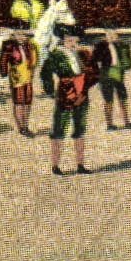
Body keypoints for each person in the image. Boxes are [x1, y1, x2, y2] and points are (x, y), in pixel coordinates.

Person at [40, 25, 97, 176]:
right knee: (59, 128)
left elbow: (94, 73)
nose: (72, 43)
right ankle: (55, 165)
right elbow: (45, 73)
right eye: (69, 40)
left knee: (80, 127)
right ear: (63, 40)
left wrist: (85, 86)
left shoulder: (83, 54)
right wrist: (51, 91)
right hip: (65, 93)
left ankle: (80, 164)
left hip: (82, 93)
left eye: (74, 40)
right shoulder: (56, 55)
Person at [0, 21, 39, 137]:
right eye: (19, 34)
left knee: (27, 102)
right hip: (16, 77)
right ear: (13, 34)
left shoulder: (30, 45)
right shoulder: (8, 46)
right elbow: (3, 61)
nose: (21, 37)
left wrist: (32, 70)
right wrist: (4, 74)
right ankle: (21, 127)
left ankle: (25, 125)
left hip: (28, 76)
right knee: (19, 101)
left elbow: (34, 59)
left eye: (24, 35)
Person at [92, 25, 131, 130]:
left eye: (114, 33)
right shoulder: (100, 45)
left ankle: (126, 121)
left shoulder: (122, 45)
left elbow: (128, 60)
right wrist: (97, 75)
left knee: (123, 97)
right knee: (108, 99)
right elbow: (94, 60)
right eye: (109, 33)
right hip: (105, 75)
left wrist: (126, 65)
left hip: (118, 74)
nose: (112, 35)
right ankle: (109, 124)